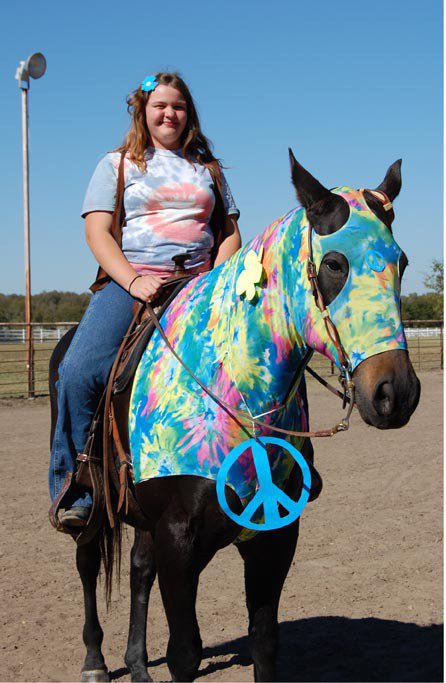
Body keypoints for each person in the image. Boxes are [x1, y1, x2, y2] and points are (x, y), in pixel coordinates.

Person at [49, 72, 241, 528]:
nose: (169, 113)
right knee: (77, 370)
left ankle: (284, 460)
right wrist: (133, 281)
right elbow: (97, 231)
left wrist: (213, 280)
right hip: (131, 283)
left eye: (178, 106)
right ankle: (74, 485)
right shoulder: (117, 164)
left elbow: (230, 232)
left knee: (260, 350)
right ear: (143, 111)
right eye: (160, 106)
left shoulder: (207, 169)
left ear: (188, 114)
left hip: (198, 284)